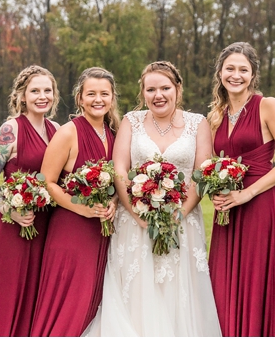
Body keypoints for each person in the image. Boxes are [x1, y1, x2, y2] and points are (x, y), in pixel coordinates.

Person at [82, 61, 221, 336]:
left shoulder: (198, 124)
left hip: (182, 221)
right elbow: (120, 168)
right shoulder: (131, 121)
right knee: (138, 290)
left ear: (178, 89)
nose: (158, 95)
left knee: (178, 291)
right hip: (134, 222)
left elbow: (200, 174)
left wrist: (179, 213)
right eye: (151, 89)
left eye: (165, 88)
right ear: (143, 93)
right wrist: (137, 213)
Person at [206, 42, 275, 337]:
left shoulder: (267, 106)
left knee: (255, 279)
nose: (236, 75)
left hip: (260, 205)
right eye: (230, 68)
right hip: (226, 209)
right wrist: (214, 190)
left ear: (253, 74)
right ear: (220, 72)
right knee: (222, 282)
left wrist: (246, 193)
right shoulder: (215, 115)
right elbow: (209, 163)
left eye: (243, 70)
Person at [31, 67, 121, 336]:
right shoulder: (68, 133)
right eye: (91, 93)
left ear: (112, 98)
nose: (98, 99)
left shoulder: (114, 133)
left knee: (93, 300)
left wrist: (114, 202)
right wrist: (80, 208)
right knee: (69, 300)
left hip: (102, 230)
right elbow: (46, 181)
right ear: (80, 98)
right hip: (71, 229)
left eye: (104, 94)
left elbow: (118, 180)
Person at [0, 65, 61, 336]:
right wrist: (9, 210)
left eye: (47, 90)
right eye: (34, 91)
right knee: (8, 294)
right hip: (14, 227)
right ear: (22, 96)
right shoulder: (10, 130)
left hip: (47, 226)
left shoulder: (57, 130)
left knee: (38, 296)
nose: (42, 96)